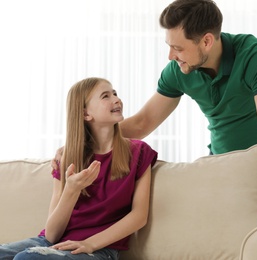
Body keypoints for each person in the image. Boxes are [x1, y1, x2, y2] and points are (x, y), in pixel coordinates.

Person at [118, 0, 257, 221]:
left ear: (206, 41)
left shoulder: (254, 56)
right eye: (169, 46)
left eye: (178, 48)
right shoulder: (177, 70)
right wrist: (89, 133)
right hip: (218, 162)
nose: (171, 56)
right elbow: (143, 122)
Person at [0, 77, 157, 260]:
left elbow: (138, 216)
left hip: (98, 249)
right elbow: (51, 235)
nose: (116, 99)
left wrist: (89, 244)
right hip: (50, 243)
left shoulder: (139, 152)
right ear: (85, 114)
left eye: (115, 93)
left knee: (27, 258)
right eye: (105, 96)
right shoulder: (66, 158)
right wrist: (71, 190)